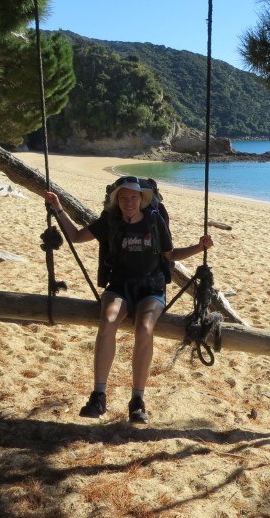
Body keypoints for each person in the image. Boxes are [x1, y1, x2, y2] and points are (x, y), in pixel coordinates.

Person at [44, 176, 214, 424]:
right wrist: (57, 208)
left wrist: (199, 248)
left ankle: (137, 399)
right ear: (117, 200)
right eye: (123, 197)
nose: (128, 202)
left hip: (151, 288)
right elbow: (77, 236)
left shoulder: (155, 221)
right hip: (120, 286)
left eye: (133, 197)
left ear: (141, 199)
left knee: (144, 328)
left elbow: (171, 255)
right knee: (108, 320)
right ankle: (98, 396)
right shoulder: (109, 220)